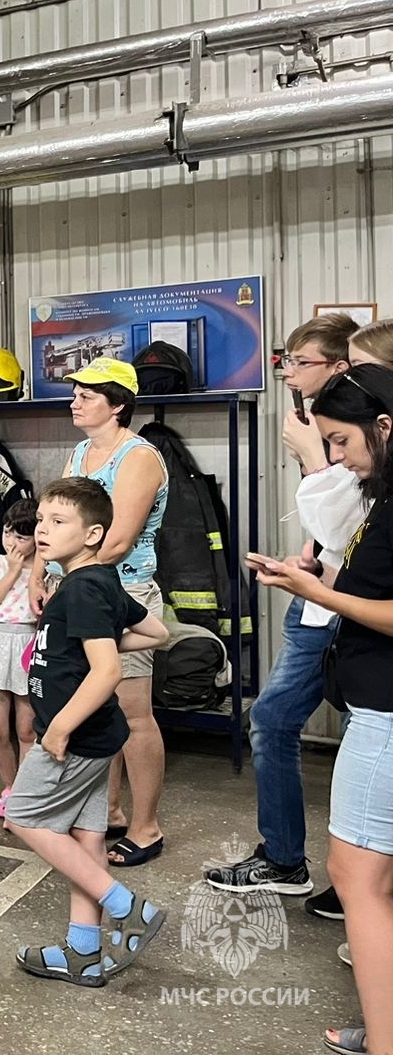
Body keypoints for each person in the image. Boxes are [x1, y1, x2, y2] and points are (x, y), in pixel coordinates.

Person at [245, 364, 393, 1055]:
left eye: (340, 441)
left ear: (383, 426)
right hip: (374, 702)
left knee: (356, 877)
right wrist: (305, 576)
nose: (336, 457)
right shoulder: (380, 499)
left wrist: (323, 595)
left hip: (387, 712)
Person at [205, 314, 357, 911]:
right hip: (318, 598)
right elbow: (337, 530)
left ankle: (358, 880)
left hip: (348, 607)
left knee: (358, 733)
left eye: (300, 363)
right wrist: (308, 562)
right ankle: (287, 859)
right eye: (285, 362)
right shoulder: (315, 422)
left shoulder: (351, 430)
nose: (289, 374)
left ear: (339, 366)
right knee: (271, 720)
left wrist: (318, 462)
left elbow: (359, 521)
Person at [7, 478, 170, 986]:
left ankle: (128, 907)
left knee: (23, 816)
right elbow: (157, 633)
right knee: (87, 838)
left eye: (59, 522)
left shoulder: (82, 589)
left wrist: (57, 729)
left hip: (74, 739)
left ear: (94, 533)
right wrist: (92, 645)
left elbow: (107, 673)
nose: (43, 531)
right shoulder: (99, 584)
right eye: (40, 522)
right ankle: (83, 951)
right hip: (99, 738)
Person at [32, 357, 170, 868]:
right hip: (77, 592)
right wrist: (41, 575)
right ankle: (107, 810)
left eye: (87, 395)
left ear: (118, 406)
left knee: (134, 715)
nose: (75, 401)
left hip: (121, 597)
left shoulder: (139, 458)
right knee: (95, 706)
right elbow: (58, 524)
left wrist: (63, 579)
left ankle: (146, 825)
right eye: (76, 393)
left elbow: (116, 539)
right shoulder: (81, 451)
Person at [0, 498, 40, 818]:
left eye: (21, 537)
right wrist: (13, 569)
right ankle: (10, 787)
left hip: (28, 644)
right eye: (7, 532)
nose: (11, 542)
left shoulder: (46, 570)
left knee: (27, 730)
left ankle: (23, 797)